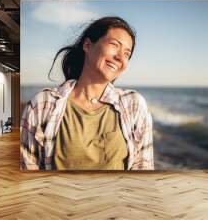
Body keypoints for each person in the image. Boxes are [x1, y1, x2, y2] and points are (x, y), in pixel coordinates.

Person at [20, 16, 153, 170]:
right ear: (88, 45)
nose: (120, 57)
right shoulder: (43, 104)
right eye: (114, 45)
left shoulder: (134, 105)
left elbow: (143, 169)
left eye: (127, 54)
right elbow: (28, 170)